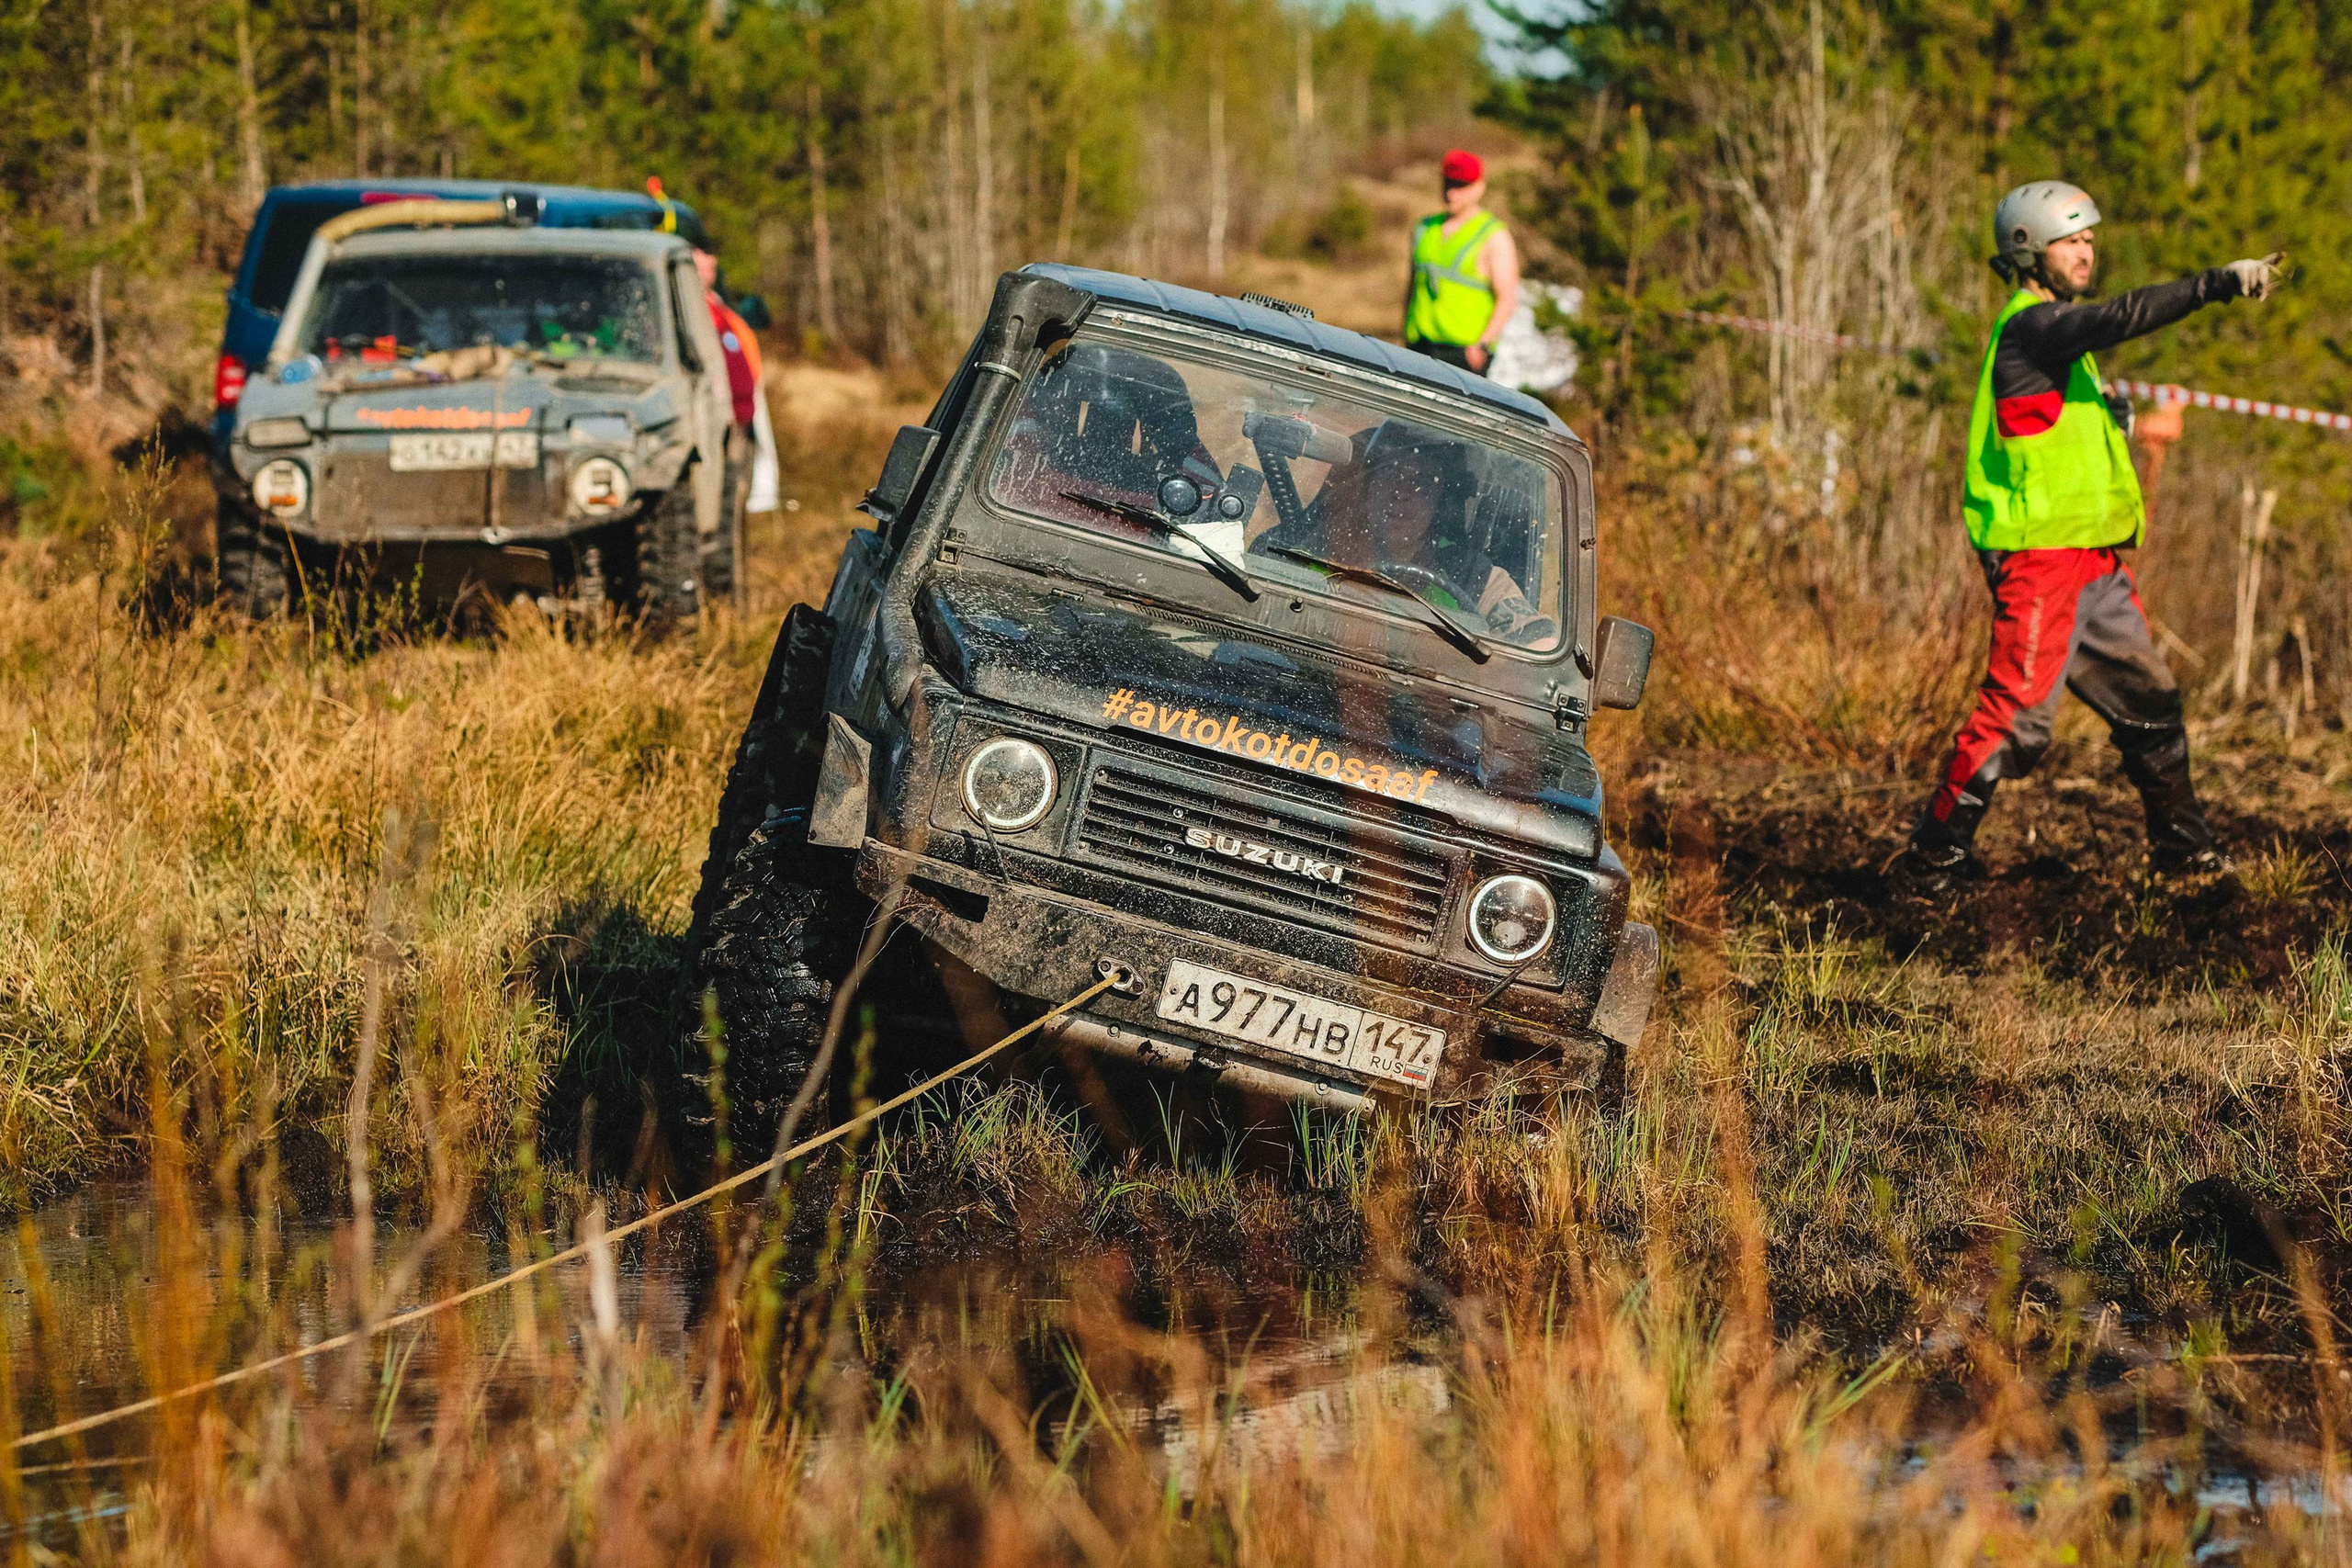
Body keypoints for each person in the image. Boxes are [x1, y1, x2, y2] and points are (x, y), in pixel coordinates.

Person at [1901, 179, 2286, 888]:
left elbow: (2054, 438)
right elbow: (2122, 316)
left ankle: (2183, 851)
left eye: (2088, 239)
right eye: (2070, 240)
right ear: (2028, 251)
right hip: (2042, 562)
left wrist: (2113, 422)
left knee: (2151, 701)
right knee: (2017, 720)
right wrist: (2215, 284)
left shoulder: (2064, 354)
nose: (2086, 251)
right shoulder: (2031, 328)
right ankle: (1930, 861)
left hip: (2095, 563)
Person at [1403, 150, 1520, 377]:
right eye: (1448, 183)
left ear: (1479, 187)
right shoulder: (1425, 228)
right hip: (1419, 345)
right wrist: (1405, 333)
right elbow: (1412, 286)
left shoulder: (1493, 235)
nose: (1452, 193)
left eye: (1461, 185)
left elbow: (1508, 299)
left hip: (1463, 353)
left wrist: (1481, 348)